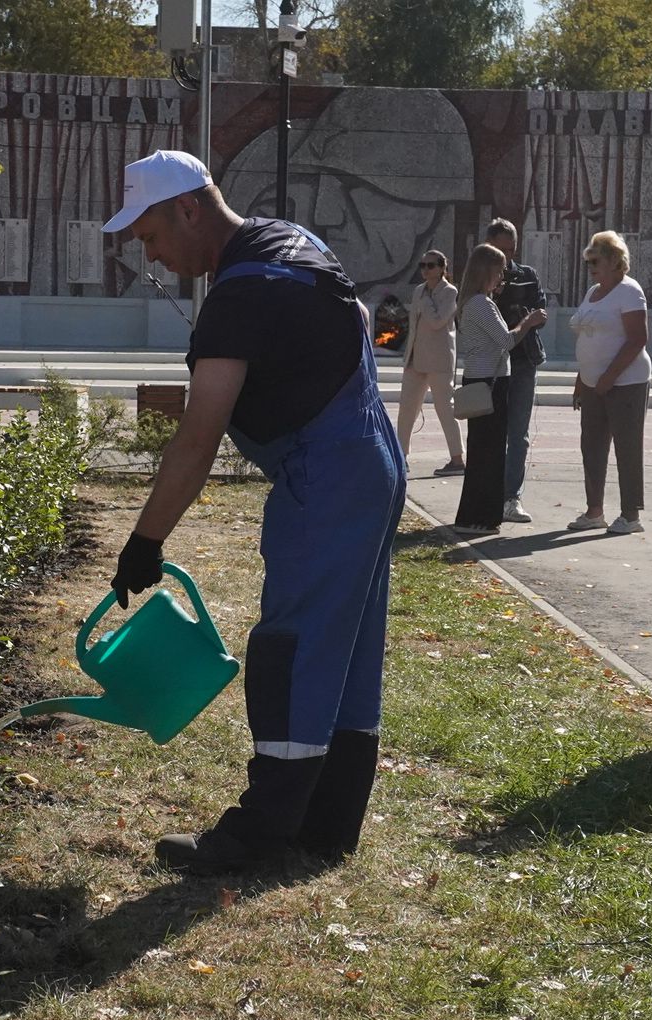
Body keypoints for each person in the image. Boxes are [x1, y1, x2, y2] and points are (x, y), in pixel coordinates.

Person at [100, 149, 406, 874]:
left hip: (322, 476)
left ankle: (262, 833)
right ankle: (326, 826)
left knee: (291, 649)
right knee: (346, 647)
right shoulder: (291, 240)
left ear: (188, 208)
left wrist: (146, 540)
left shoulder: (239, 297)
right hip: (372, 460)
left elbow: (198, 433)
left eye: (151, 235)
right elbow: (357, 316)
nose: (151, 255)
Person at [452, 244, 547, 536]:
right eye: (499, 271)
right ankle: (478, 518)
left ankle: (477, 516)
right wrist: (528, 322)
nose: (501, 277)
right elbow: (506, 341)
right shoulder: (480, 303)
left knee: (485, 450)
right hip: (488, 383)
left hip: (482, 379)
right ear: (486, 271)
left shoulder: (474, 302)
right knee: (488, 453)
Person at [567, 231, 652, 535]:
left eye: (596, 260)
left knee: (627, 447)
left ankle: (630, 515)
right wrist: (582, 380)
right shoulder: (592, 292)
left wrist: (608, 377)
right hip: (593, 383)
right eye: (588, 261)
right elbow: (588, 338)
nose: (590, 266)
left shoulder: (630, 291)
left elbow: (637, 340)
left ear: (615, 260)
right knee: (591, 446)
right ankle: (594, 512)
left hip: (626, 382)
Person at [486, 219, 546, 524]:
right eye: (501, 250)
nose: (507, 257)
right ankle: (489, 494)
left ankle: (512, 497)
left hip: (522, 360)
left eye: (511, 250)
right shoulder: (481, 281)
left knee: (518, 433)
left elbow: (540, 312)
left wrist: (528, 317)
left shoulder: (527, 276)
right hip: (491, 364)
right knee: (490, 431)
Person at [396, 249, 463, 475]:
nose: (425, 270)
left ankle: (457, 459)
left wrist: (425, 302)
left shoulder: (450, 291)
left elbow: (437, 322)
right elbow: (414, 326)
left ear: (442, 268)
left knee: (445, 408)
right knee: (407, 408)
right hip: (415, 358)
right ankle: (401, 456)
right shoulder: (418, 290)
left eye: (431, 265)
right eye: (422, 265)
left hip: (439, 360)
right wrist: (408, 355)